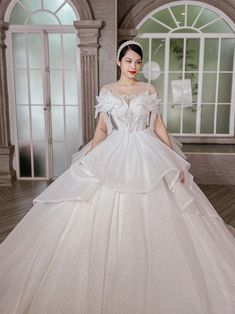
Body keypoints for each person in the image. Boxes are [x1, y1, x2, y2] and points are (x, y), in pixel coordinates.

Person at [0, 40, 234, 314]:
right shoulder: (107, 90)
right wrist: (89, 159)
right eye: (129, 61)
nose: (133, 66)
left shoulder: (148, 89)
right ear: (119, 62)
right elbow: (101, 128)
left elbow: (158, 125)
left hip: (148, 152)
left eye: (137, 62)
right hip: (114, 149)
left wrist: (175, 162)